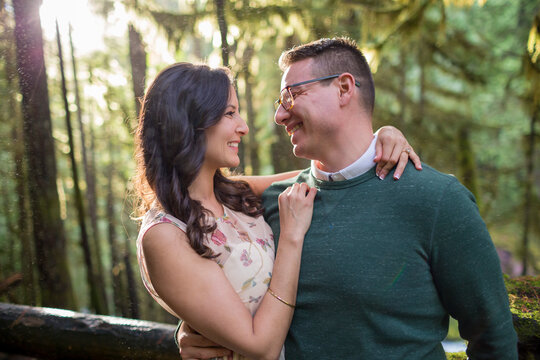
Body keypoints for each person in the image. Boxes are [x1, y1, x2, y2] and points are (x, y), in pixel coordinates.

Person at [178, 38, 518, 359]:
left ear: (343, 88)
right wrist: (191, 328)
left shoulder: (438, 201)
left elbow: (493, 338)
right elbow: (200, 213)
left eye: (291, 96)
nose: (279, 116)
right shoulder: (273, 203)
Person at [134, 62, 418, 360]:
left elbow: (327, 174)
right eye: (230, 113)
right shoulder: (164, 235)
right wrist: (292, 237)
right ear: (188, 121)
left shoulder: (233, 193)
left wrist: (380, 140)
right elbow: (262, 348)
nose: (242, 127)